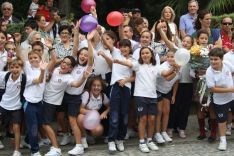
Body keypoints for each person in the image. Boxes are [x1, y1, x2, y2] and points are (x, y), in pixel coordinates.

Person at [41, 56, 91, 156]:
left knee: (45, 124)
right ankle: (56, 145)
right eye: (64, 62)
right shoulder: (56, 69)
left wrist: (83, 78)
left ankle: (56, 148)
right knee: (46, 123)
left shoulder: (68, 77)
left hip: (51, 102)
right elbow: (50, 67)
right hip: (44, 99)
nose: (64, 65)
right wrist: (51, 49)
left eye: (68, 64)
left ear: (71, 69)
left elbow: (76, 84)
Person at [114, 47, 159, 153]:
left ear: (151, 54)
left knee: (152, 119)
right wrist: (118, 61)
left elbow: (165, 74)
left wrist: (175, 68)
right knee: (142, 119)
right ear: (140, 56)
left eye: (147, 53)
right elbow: (128, 63)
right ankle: (142, 142)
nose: (145, 55)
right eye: (142, 53)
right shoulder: (138, 65)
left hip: (153, 96)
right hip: (140, 96)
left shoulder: (156, 66)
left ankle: (150, 140)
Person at [0, 57, 46, 156]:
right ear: (9, 68)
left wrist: (42, 71)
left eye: (17, 67)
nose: (14, 69)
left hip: (16, 107)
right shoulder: (5, 75)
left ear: (21, 68)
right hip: (3, 104)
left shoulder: (25, 78)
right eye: (12, 67)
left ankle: (17, 151)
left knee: (16, 128)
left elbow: (39, 80)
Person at [107, 39, 134, 153]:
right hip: (116, 86)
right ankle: (111, 140)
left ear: (130, 48)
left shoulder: (134, 60)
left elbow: (134, 76)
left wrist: (126, 80)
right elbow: (108, 43)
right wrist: (98, 30)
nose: (123, 48)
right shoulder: (116, 53)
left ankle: (120, 139)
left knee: (124, 116)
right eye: (121, 46)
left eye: (126, 46)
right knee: (114, 115)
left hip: (126, 88)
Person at [206, 48, 234, 151]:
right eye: (211, 59)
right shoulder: (209, 72)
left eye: (216, 59)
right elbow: (212, 89)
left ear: (221, 59)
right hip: (220, 101)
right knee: (222, 121)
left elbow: (233, 71)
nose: (213, 62)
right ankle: (223, 140)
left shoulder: (227, 64)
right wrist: (229, 89)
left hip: (232, 97)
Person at [155, 50, 180, 144]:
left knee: (167, 111)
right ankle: (157, 133)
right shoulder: (163, 66)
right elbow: (167, 77)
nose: (170, 58)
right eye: (168, 56)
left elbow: (176, 82)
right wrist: (176, 70)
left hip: (167, 91)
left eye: (172, 57)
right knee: (159, 112)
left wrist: (173, 95)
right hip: (157, 90)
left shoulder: (179, 66)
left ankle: (164, 132)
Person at [77, 76, 109, 149]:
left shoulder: (103, 96)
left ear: (101, 87)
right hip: (85, 119)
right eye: (94, 85)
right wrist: (92, 112)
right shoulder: (87, 94)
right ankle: (83, 137)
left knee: (99, 130)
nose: (96, 87)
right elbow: (80, 109)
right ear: (91, 86)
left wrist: (105, 112)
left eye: (98, 86)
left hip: (94, 121)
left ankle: (90, 136)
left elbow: (110, 106)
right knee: (80, 117)